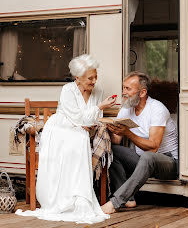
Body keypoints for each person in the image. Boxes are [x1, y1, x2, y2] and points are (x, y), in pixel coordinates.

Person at [16, 54, 116, 223]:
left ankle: (80, 198)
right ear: (77, 78)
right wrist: (99, 108)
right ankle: (69, 199)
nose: (94, 81)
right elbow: (78, 119)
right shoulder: (68, 90)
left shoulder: (98, 91)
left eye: (95, 77)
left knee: (82, 137)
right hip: (60, 128)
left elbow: (94, 118)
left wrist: (93, 119)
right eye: (90, 78)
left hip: (82, 130)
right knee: (79, 139)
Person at [101, 71, 178, 214]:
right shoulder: (126, 108)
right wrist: (106, 128)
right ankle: (129, 199)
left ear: (142, 93)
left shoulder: (157, 109)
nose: (123, 92)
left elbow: (153, 147)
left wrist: (127, 133)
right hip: (141, 161)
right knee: (111, 149)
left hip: (168, 163)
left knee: (148, 157)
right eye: (123, 88)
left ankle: (115, 202)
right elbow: (117, 140)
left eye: (128, 89)